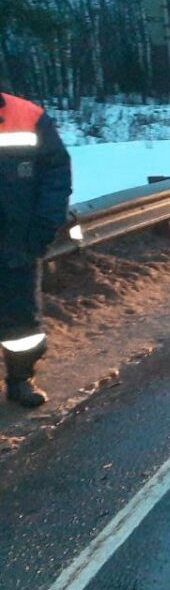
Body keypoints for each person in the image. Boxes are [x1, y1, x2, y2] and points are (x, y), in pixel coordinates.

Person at [0, 86, 72, 408]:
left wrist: (44, 226)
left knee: (21, 323)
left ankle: (20, 379)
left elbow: (56, 173)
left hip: (17, 242)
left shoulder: (28, 116)